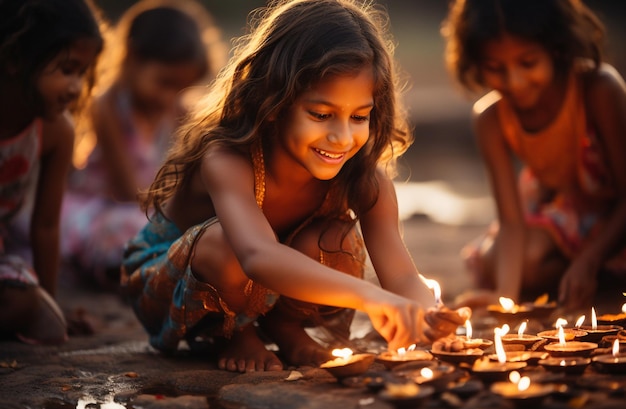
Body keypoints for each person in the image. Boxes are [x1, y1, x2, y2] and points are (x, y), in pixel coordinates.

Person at [121, 0, 470, 373]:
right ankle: (234, 334)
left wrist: (428, 316)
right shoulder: (227, 160)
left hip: (262, 284)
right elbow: (256, 256)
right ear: (273, 101)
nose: (341, 137)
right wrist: (371, 297)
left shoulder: (363, 179)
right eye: (321, 115)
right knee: (225, 246)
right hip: (167, 284)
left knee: (335, 240)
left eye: (358, 117)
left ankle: (284, 329)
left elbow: (401, 276)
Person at [441, 0, 626, 311]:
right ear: (475, 62)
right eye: (495, 69)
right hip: (563, 213)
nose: (514, 82)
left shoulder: (598, 89)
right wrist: (506, 296)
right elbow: (511, 222)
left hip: (615, 216)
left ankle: (599, 272)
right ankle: (590, 275)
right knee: (498, 261)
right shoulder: (490, 118)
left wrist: (588, 261)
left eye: (528, 63)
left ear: (556, 48)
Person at [61, 0, 226, 290]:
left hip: (151, 208)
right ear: (132, 57)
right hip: (105, 208)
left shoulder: (179, 111)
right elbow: (128, 192)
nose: (169, 96)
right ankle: (142, 276)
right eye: (163, 82)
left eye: (179, 87)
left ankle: (159, 267)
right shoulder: (108, 107)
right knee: (132, 229)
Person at [0, 0, 103, 344]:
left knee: (45, 325)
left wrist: (48, 303)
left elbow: (45, 226)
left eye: (82, 74)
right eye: (67, 69)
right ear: (15, 60)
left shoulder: (56, 131)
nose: (76, 87)